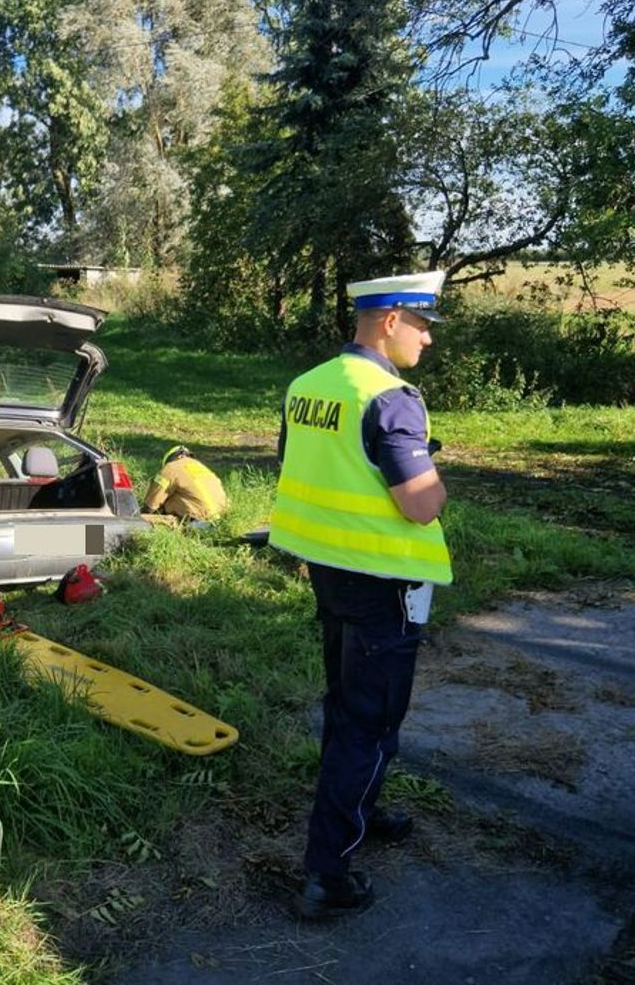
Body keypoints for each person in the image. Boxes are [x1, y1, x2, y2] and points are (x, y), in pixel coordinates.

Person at [268, 271, 453, 920]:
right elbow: (420, 503)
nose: (428, 340)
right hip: (385, 586)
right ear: (390, 320)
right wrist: (437, 473)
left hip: (330, 573)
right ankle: (327, 875)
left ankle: (361, 812)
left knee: (346, 705)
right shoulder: (392, 397)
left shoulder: (307, 385)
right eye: (423, 325)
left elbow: (302, 468)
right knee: (369, 725)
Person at [141, 446, 228, 523]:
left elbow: (151, 505)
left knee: (138, 519)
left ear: (170, 459)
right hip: (220, 516)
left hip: (195, 520)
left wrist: (142, 513)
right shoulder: (202, 468)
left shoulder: (170, 467)